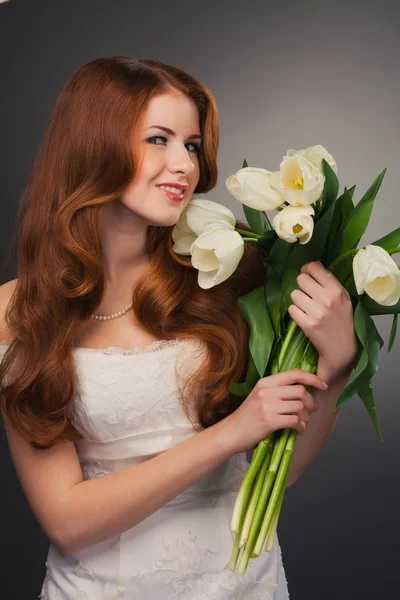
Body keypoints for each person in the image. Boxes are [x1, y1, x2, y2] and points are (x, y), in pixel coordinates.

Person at [0, 57, 358, 599]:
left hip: (245, 584)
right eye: (158, 139)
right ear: (92, 144)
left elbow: (277, 472)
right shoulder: (16, 312)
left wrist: (335, 366)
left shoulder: (229, 267)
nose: (184, 165)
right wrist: (230, 435)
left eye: (191, 145)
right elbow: (67, 521)